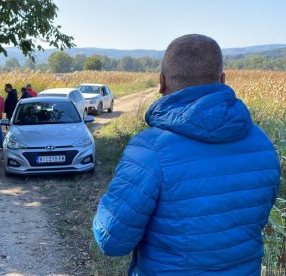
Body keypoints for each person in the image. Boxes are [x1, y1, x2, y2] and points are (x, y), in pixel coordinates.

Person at [93, 34, 280, 275]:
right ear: (222, 80)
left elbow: (112, 240)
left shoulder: (149, 150)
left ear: (161, 82)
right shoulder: (262, 143)